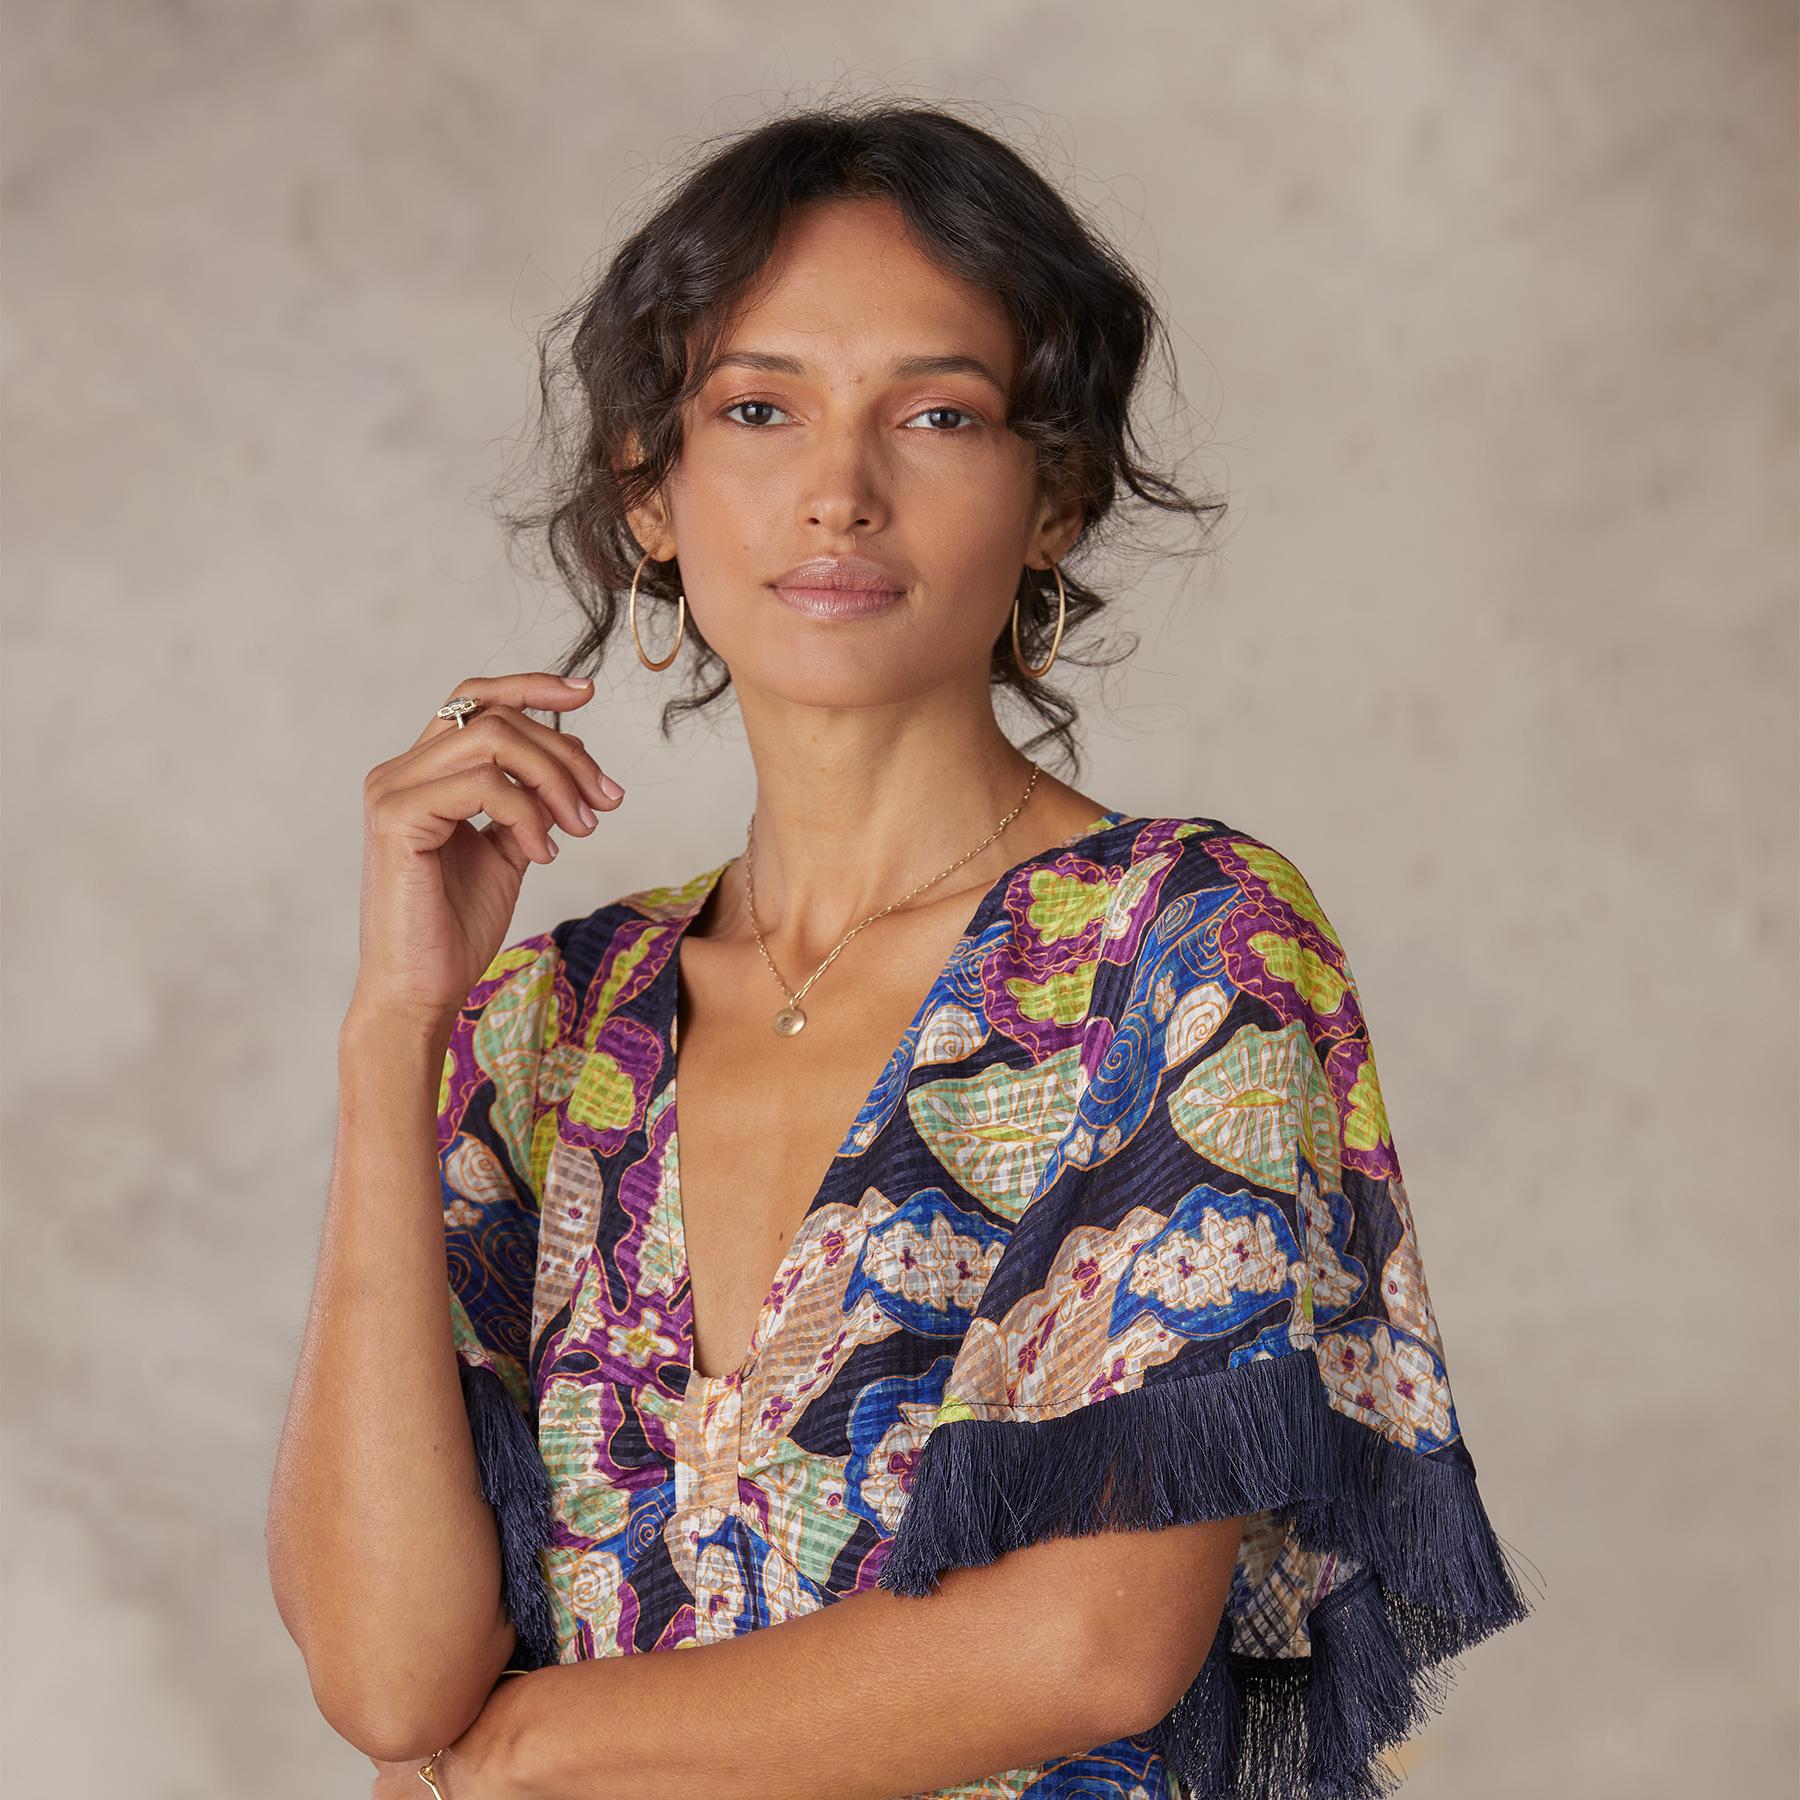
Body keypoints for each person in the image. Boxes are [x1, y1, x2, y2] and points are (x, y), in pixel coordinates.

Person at [268, 100, 1535, 1800]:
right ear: (651, 490)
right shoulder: (552, 1020)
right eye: (758, 409)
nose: (839, 494)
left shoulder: (1179, 946)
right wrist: (394, 1028)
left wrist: (515, 1757)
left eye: (938, 414)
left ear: (1054, 497)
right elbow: (384, 1673)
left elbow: (1086, 1643)